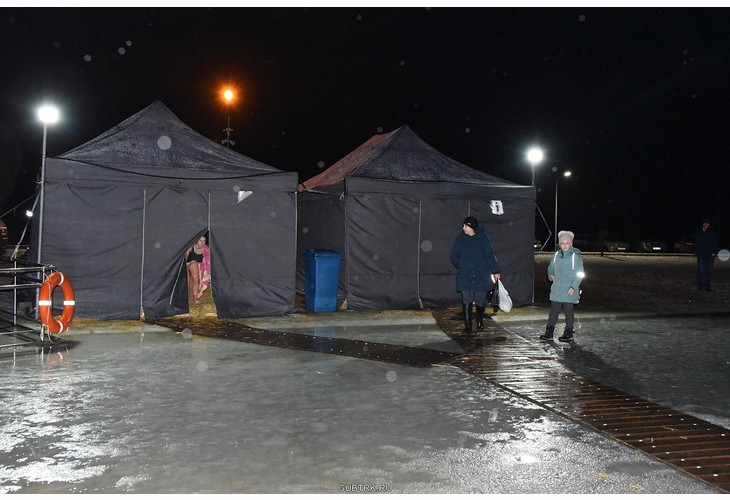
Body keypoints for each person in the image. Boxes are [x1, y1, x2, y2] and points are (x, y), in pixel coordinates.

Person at [450, 216, 502, 335]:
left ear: (472, 227)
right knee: (466, 300)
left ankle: (479, 322)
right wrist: (460, 264)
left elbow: (490, 255)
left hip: (481, 275)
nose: (463, 228)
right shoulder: (461, 239)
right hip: (465, 275)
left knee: (480, 300)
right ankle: (468, 327)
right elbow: (454, 254)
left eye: (466, 226)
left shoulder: (483, 239)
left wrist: (496, 271)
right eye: (463, 226)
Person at [539, 230, 585, 342]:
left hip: (569, 289)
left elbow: (580, 274)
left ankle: (568, 332)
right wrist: (551, 275)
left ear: (571, 244)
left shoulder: (575, 257)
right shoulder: (556, 256)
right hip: (557, 288)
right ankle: (549, 332)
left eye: (567, 243)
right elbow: (550, 268)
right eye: (562, 243)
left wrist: (573, 287)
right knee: (554, 311)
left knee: (568, 311)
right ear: (559, 244)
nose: (565, 245)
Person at [694, 220, 720, 291]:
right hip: (701, 254)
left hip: (710, 254)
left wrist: (714, 251)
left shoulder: (712, 232)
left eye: (707, 224)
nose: (706, 225)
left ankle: (707, 287)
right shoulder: (699, 232)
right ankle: (700, 286)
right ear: (703, 224)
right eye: (705, 224)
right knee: (701, 270)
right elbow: (697, 241)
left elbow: (716, 242)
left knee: (709, 270)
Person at [186, 234, 211, 305]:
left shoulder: (206, 249)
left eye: (204, 241)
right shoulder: (190, 248)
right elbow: (183, 258)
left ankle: (195, 298)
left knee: (196, 279)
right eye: (200, 240)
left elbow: (208, 260)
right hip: (186, 262)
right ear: (196, 241)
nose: (202, 242)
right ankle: (185, 298)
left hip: (193, 263)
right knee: (186, 281)